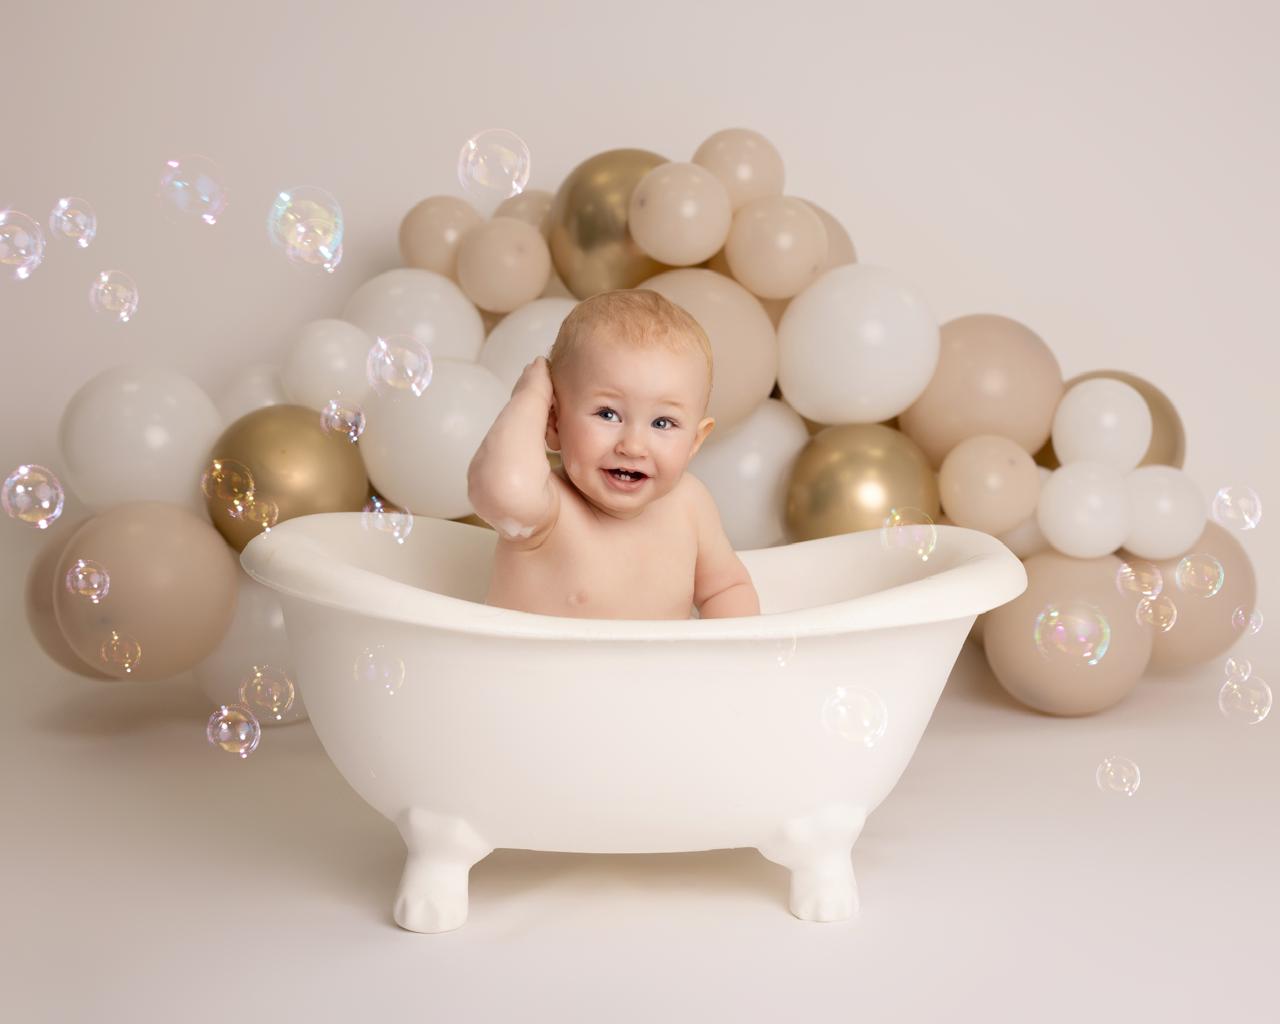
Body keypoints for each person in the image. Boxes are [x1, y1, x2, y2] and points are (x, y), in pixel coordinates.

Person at [467, 289, 761, 620]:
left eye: (662, 422)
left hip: (657, 673)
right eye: (608, 414)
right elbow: (503, 489)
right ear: (553, 420)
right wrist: (532, 394)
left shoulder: (690, 505)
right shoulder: (548, 508)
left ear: (694, 442)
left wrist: (728, 659)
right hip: (542, 672)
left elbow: (727, 589)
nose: (633, 446)